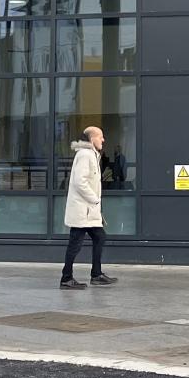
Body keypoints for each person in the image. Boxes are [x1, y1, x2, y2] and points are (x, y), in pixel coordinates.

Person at [58, 125, 114, 291]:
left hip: (89, 212)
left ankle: (96, 274)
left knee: (99, 237)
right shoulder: (85, 155)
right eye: (100, 136)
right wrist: (94, 199)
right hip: (83, 211)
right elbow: (79, 181)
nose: (103, 139)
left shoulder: (92, 155)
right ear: (92, 139)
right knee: (75, 244)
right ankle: (66, 278)